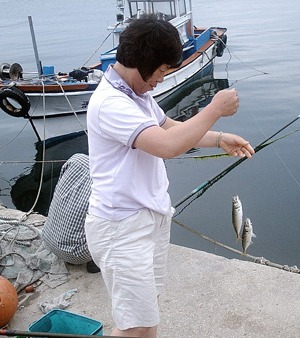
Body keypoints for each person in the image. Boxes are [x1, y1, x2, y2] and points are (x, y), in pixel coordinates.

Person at [84, 15, 254, 338]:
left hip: (151, 218)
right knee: (133, 326)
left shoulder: (137, 94)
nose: (160, 80)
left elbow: (167, 128)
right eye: (161, 72)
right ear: (143, 64)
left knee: (148, 317)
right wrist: (214, 108)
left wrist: (218, 138)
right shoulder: (110, 104)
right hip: (122, 229)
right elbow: (167, 146)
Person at [42, 153, 100, 273]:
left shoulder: (77, 159)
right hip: (76, 254)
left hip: (47, 236)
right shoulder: (110, 181)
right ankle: (95, 261)